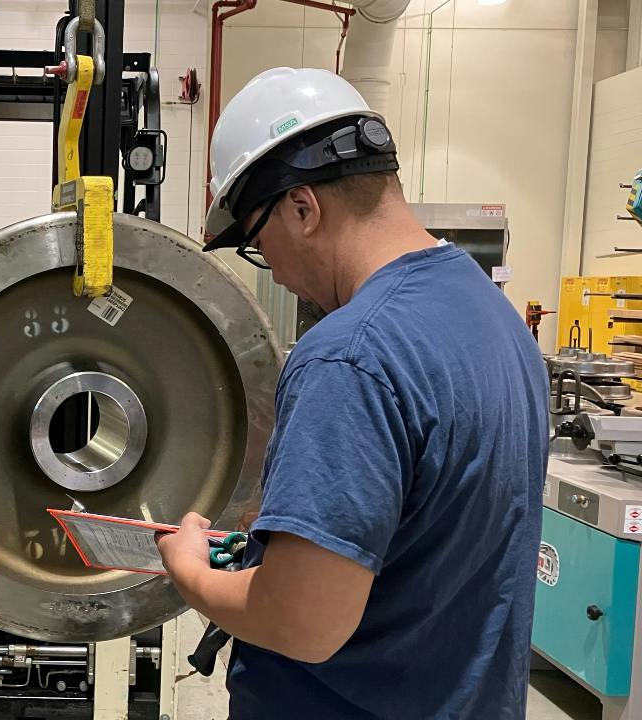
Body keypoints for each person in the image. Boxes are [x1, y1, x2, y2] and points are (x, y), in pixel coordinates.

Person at [156, 67, 547, 719]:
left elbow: (304, 623)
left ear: (302, 208)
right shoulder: (493, 316)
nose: (275, 272)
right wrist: (300, 529)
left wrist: (190, 570)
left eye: (258, 243)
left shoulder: (350, 354)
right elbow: (435, 526)